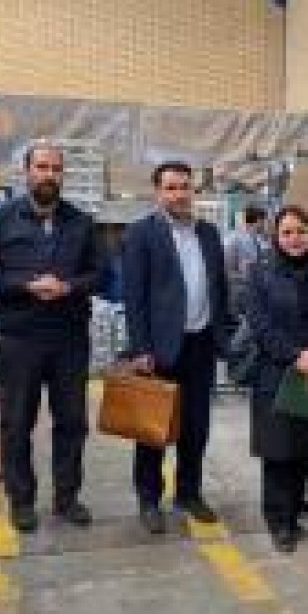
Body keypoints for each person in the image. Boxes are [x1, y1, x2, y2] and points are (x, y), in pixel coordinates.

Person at [0, 141, 101, 533]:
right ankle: (22, 500)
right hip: (19, 338)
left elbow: (99, 274)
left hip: (68, 339)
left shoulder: (81, 222)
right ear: (26, 172)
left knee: (72, 422)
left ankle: (67, 498)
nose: (49, 175)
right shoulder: (0, 220)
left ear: (63, 175)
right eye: (42, 167)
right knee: (16, 423)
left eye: (56, 169)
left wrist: (69, 287)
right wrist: (26, 285)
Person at [119, 161, 229, 533]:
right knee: (153, 428)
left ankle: (188, 493)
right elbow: (134, 297)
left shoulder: (209, 233)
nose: (179, 194)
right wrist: (141, 348)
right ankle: (149, 499)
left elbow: (219, 287)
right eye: (171, 188)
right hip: (160, 348)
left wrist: (222, 336)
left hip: (201, 343)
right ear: (158, 192)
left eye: (185, 187)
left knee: (196, 427)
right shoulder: (141, 234)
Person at [242, 205, 308, 553]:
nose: (295, 238)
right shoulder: (260, 274)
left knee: (305, 448)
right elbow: (259, 324)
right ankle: (279, 521)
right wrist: (294, 355)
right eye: (287, 232)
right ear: (276, 237)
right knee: (278, 450)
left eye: (301, 231)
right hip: (276, 374)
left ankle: (295, 508)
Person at [223, 204, 271, 315]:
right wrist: (246, 275)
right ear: (257, 221)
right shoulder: (233, 240)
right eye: (263, 221)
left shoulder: (260, 240)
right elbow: (226, 271)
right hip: (239, 294)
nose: (265, 224)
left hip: (256, 294)